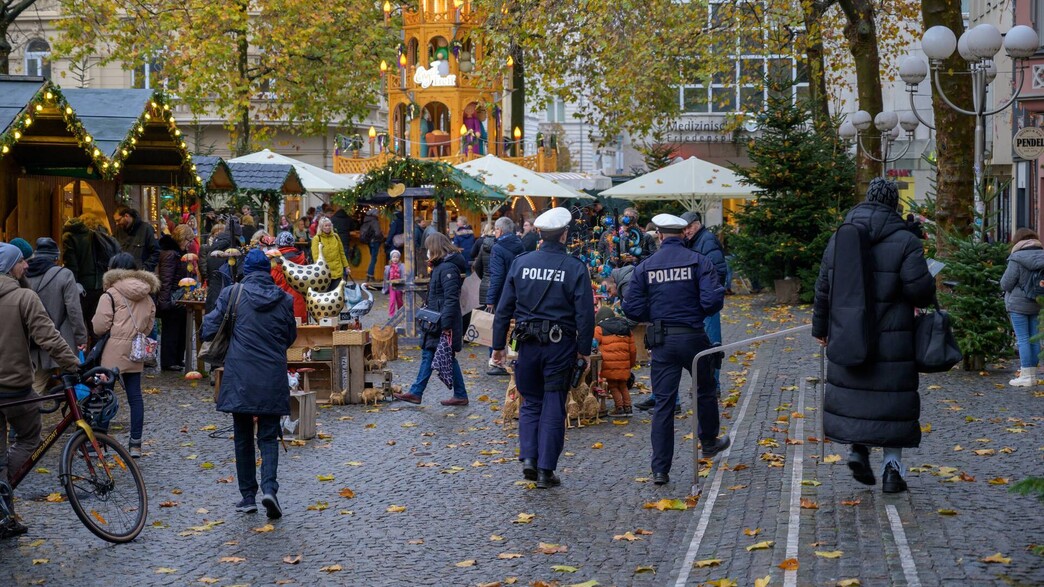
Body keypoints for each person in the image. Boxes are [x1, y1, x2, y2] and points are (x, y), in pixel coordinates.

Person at [811, 177, 935, 494]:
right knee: (891, 402)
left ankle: (857, 450)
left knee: (856, 395)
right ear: (895, 205)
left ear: (866, 200)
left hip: (848, 333)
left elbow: (823, 288)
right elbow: (919, 291)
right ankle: (892, 470)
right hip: (893, 338)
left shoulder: (840, 238)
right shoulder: (906, 242)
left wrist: (821, 329)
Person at [490, 207, 594, 489]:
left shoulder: (522, 263)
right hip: (560, 346)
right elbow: (585, 313)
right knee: (552, 406)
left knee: (531, 403)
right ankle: (546, 470)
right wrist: (584, 350)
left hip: (526, 345)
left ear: (538, 233)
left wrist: (498, 346)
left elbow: (503, 309)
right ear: (564, 234)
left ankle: (528, 460)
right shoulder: (574, 267)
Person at [622, 214, 727, 486]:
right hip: (693, 336)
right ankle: (708, 442)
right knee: (704, 391)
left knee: (664, 404)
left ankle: (660, 469)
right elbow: (713, 299)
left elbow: (631, 308)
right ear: (684, 233)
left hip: (662, 341)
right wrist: (696, 312)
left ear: (658, 235)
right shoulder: (698, 261)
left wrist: (655, 314)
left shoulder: (646, 266)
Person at [202, 248, 296, 518]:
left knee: (242, 435)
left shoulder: (232, 294)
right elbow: (289, 337)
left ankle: (248, 496)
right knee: (268, 435)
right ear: (267, 272)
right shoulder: (285, 300)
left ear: (245, 271)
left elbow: (208, 330)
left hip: (240, 375)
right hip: (271, 375)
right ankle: (270, 489)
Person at [0, 242, 81, 539]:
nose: (26, 266)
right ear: (11, 267)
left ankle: (3, 511)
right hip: (15, 386)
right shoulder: (24, 296)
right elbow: (49, 337)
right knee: (29, 436)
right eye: (22, 262)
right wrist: (73, 365)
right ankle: (4, 488)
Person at [92, 252, 158, 458]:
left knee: (105, 395)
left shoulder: (110, 294)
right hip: (135, 351)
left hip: (113, 351)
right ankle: (136, 444)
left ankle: (98, 444)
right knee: (135, 397)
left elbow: (100, 327)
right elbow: (149, 326)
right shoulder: (146, 294)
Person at [393, 234, 469, 406]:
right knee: (436, 354)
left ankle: (417, 392)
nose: (426, 252)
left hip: (441, 321)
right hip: (436, 320)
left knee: (434, 354)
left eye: (428, 248)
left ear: (434, 248)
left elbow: (451, 299)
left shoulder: (448, 269)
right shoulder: (440, 267)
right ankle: (457, 394)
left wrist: (447, 324)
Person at [26, 238, 88, 394]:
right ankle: (76, 415)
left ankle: (25, 413)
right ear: (56, 257)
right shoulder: (64, 274)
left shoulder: (24, 274)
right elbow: (74, 309)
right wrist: (81, 337)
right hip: (61, 339)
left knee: (37, 382)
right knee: (74, 379)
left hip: (33, 339)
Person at [1000, 227, 1044, 387]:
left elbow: (1006, 283)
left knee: (1023, 339)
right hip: (1037, 302)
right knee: (1034, 338)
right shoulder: (1042, 256)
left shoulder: (1017, 258)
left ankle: (1025, 375)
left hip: (1018, 304)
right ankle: (1032, 374)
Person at [62, 215, 114, 345]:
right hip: (100, 285)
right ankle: (97, 358)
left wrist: (71, 285)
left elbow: (71, 265)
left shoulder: (70, 237)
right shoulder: (99, 235)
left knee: (78, 324)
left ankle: (80, 359)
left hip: (82, 288)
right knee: (95, 326)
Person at [486, 216, 525, 375]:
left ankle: (496, 361)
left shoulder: (498, 248)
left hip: (503, 293)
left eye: (495, 229)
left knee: (499, 326)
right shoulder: (520, 245)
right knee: (516, 328)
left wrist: (490, 299)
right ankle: (515, 357)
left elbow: (496, 276)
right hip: (519, 292)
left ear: (499, 230)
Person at [156, 227, 191, 371]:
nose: (189, 244)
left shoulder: (178, 253)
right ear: (182, 238)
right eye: (188, 240)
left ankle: (176, 358)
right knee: (171, 330)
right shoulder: (171, 254)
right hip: (172, 297)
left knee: (179, 329)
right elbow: (166, 279)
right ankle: (169, 361)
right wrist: (164, 302)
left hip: (178, 297)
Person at [594, 306, 635, 416]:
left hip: (609, 364)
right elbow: (633, 350)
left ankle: (619, 407)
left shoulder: (599, 329)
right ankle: (628, 407)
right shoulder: (627, 329)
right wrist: (630, 364)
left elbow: (593, 343)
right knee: (623, 385)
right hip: (624, 363)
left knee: (613, 386)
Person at [272, 232, 308, 323]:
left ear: (278, 244)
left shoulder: (273, 263)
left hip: (280, 311)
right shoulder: (303, 261)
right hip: (300, 310)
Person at [112, 205, 160, 271]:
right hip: (122, 274)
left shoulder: (146, 229)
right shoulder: (118, 231)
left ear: (126, 216)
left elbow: (156, 252)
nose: (117, 223)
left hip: (141, 275)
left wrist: (145, 268)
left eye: (118, 220)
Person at [311, 216, 349, 290]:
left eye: (329, 225)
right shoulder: (317, 239)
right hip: (325, 273)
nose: (328, 227)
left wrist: (346, 266)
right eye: (326, 225)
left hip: (338, 271)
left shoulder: (336, 237)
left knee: (337, 295)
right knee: (327, 296)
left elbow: (341, 253)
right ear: (321, 227)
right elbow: (316, 257)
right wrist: (319, 269)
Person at [360, 208, 384, 284]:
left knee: (372, 258)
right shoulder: (374, 221)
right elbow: (377, 233)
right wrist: (381, 237)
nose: (378, 215)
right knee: (374, 259)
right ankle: (369, 275)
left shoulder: (366, 220)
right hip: (375, 241)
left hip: (369, 242)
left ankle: (371, 276)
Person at [383, 249, 405, 317]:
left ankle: (401, 312)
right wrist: (385, 287)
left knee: (399, 300)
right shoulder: (388, 267)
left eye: (397, 257)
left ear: (399, 258)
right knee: (392, 300)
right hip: (391, 286)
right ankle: (391, 315)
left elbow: (403, 276)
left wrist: (404, 287)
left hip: (399, 286)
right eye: (393, 257)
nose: (395, 259)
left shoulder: (401, 266)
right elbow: (386, 277)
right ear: (391, 258)